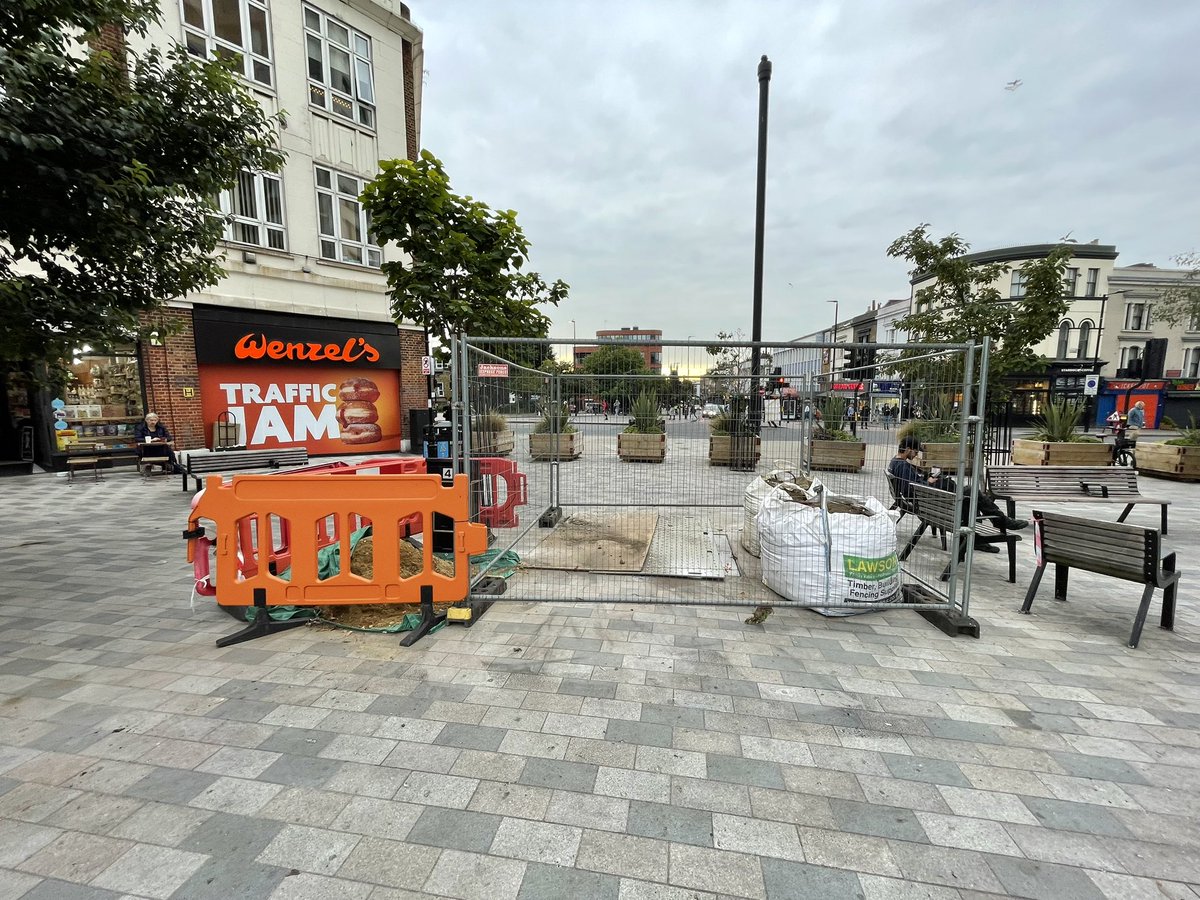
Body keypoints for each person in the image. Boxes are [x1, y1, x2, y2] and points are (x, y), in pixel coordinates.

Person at [889, 437, 1027, 549]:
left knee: (968, 495)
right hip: (929, 502)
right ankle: (1001, 521)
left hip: (927, 500)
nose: (916, 455)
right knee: (971, 492)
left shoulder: (896, 463)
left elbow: (910, 485)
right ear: (907, 449)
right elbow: (912, 488)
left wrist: (926, 479)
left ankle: (985, 532)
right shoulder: (902, 465)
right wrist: (928, 482)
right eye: (915, 452)